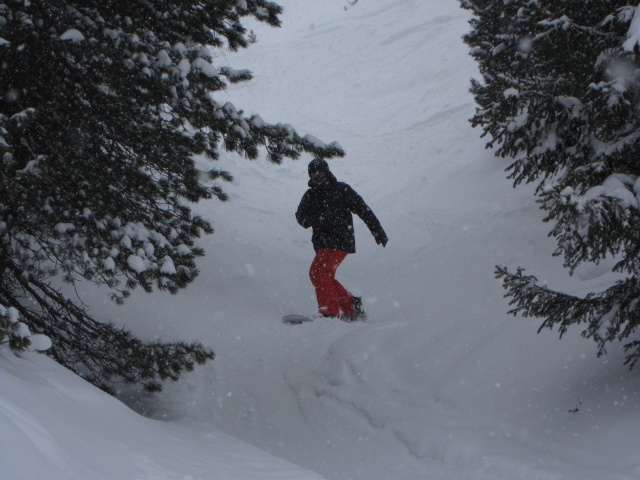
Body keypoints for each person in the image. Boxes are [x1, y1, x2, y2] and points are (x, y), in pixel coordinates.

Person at [295, 158, 388, 321]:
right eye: (313, 174)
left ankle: (329, 311)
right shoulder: (310, 195)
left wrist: (377, 230)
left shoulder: (341, 189)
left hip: (340, 239)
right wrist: (310, 221)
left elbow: (362, 209)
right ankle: (351, 306)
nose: (318, 177)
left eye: (321, 173)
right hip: (322, 243)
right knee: (322, 275)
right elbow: (300, 215)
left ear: (327, 172)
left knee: (319, 272)